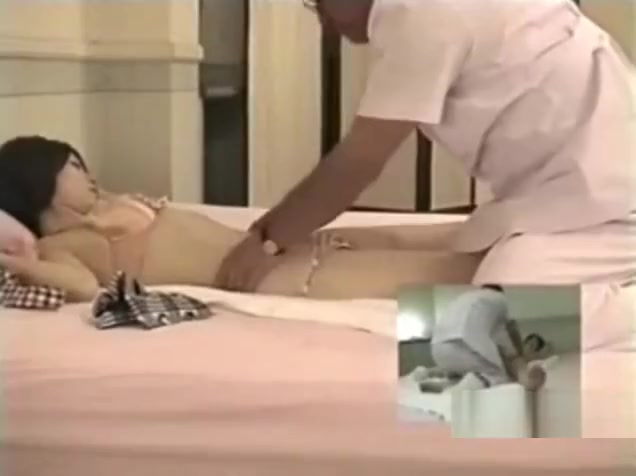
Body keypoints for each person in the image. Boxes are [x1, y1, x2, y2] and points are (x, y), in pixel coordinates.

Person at [213, 0, 635, 292]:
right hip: (572, 192)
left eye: (320, 2)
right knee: (473, 258)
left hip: (608, 205)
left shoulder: (424, 15)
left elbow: (359, 160)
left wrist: (267, 241)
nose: (322, 19)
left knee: (498, 321)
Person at [0, 136, 479, 303]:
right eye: (74, 167)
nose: (89, 174)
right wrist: (17, 259)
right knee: (451, 272)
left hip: (282, 247)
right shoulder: (62, 245)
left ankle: (512, 236)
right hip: (275, 275)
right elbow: (82, 288)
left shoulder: (110, 204)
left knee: (440, 236)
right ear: (38, 179)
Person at [428, 285, 547, 391]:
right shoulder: (500, 300)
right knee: (498, 376)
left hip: (437, 348)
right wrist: (522, 362)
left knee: (466, 373)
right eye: (529, 343)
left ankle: (440, 385)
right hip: (463, 345)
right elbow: (512, 332)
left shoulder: (469, 298)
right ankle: (453, 393)